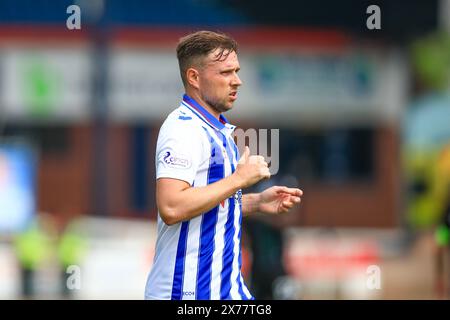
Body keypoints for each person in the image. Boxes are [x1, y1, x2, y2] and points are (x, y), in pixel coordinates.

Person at [144, 30, 303, 300]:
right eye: (225, 73)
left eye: (237, 71)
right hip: (186, 294)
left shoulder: (219, 133)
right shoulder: (183, 130)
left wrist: (256, 202)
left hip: (227, 291)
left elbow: (208, 203)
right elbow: (171, 206)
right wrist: (239, 180)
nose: (237, 81)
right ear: (194, 77)